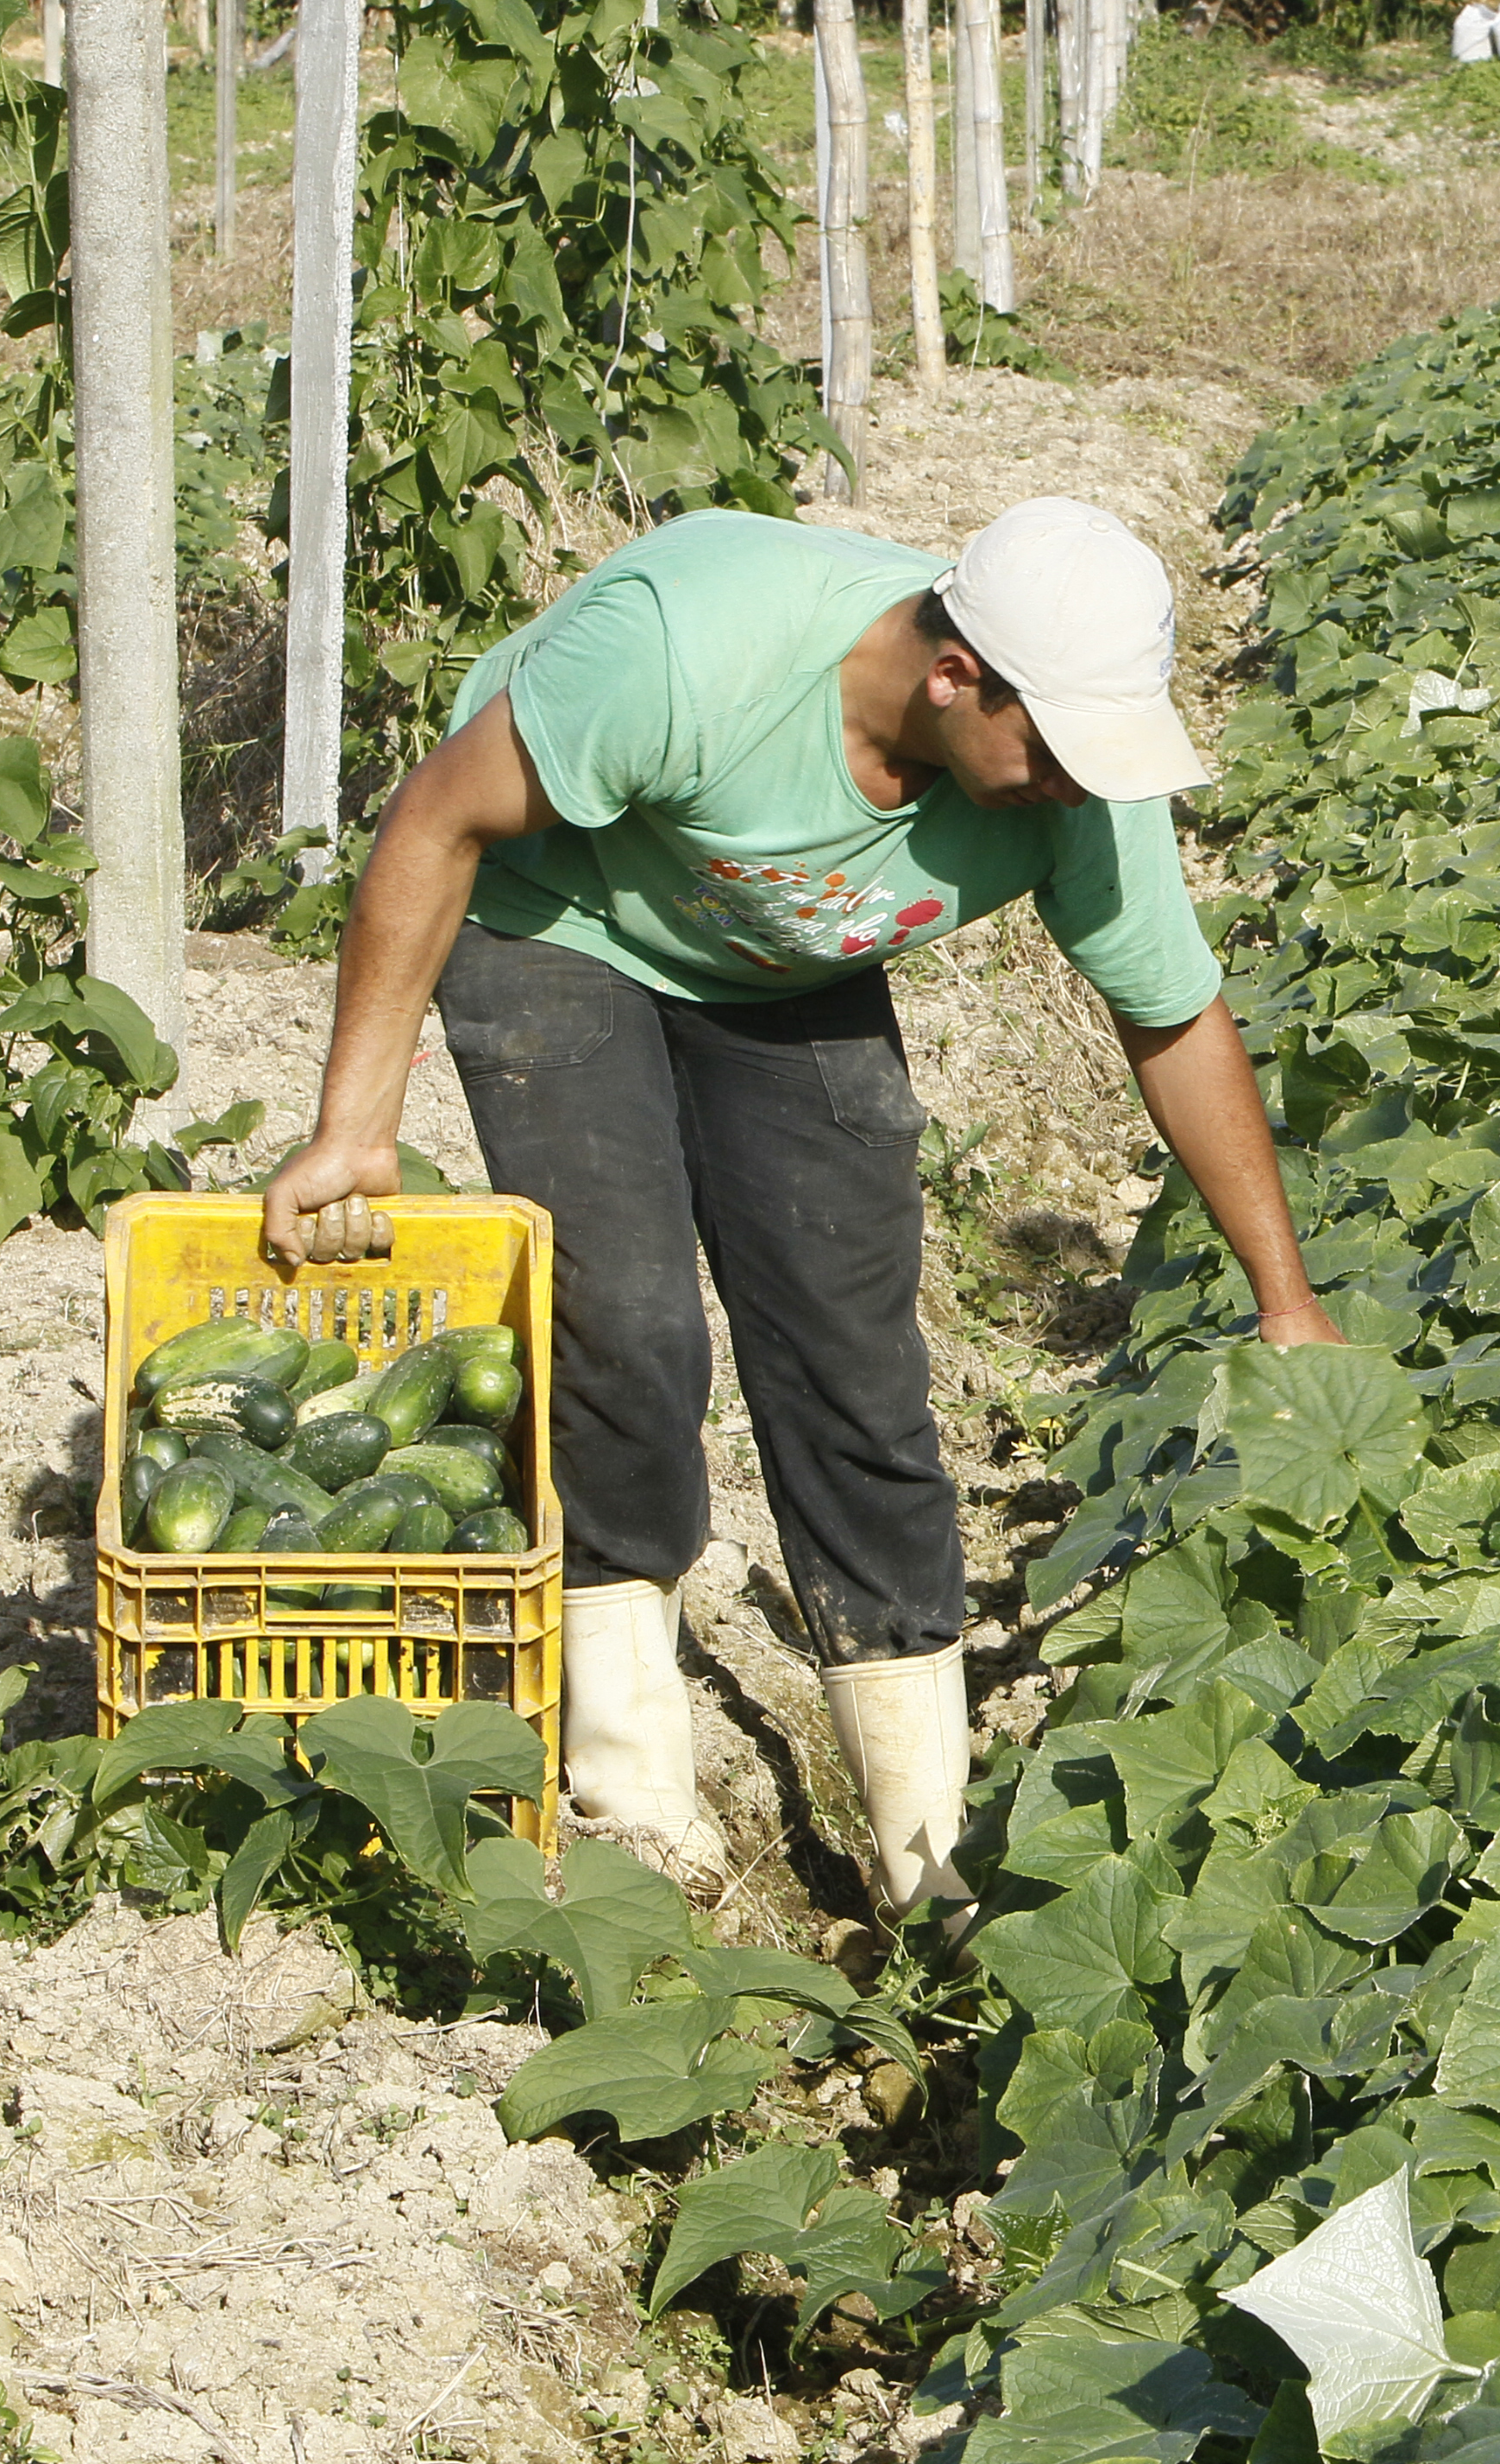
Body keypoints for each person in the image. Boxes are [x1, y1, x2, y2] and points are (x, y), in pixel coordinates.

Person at [261, 498, 1336, 1925]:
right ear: (955, 678)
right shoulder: (687, 652)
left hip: (785, 960)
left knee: (853, 1358)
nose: (1075, 789)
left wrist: (1286, 1299)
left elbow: (1171, 1014)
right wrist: (355, 1126)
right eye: (1056, 754)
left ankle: (924, 1843)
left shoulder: (1067, 786)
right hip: (562, 921)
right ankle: (635, 1788)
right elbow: (439, 817)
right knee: (628, 1326)